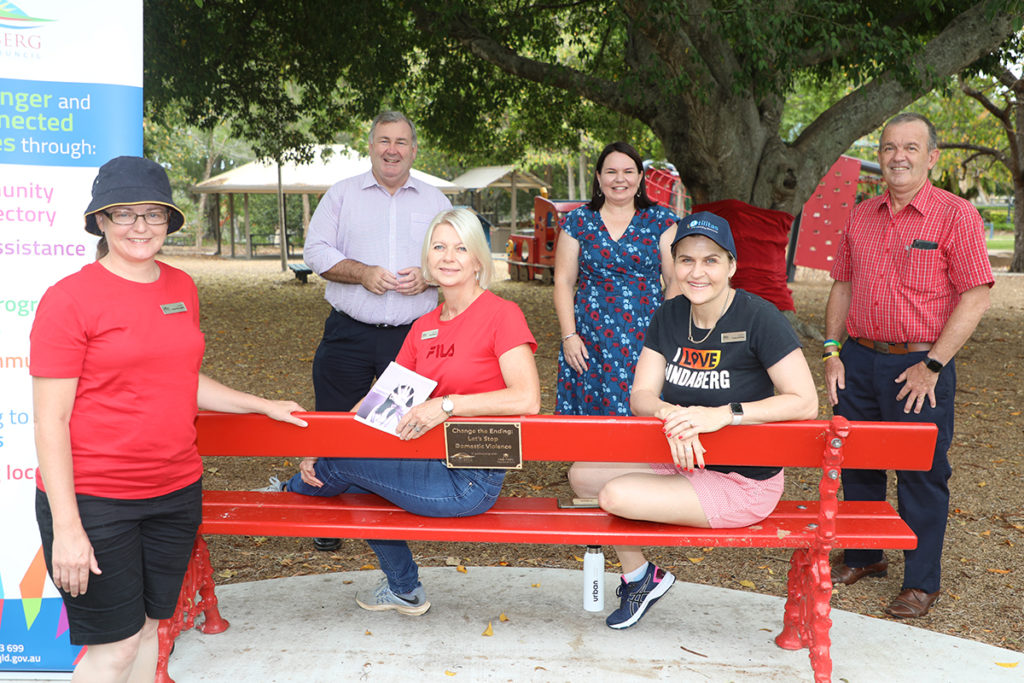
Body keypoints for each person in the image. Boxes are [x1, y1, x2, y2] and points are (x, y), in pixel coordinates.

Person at [30, 156, 307, 682]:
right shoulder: (68, 300)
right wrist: (67, 527)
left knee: (154, 630)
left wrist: (260, 404)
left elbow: (179, 376)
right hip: (95, 501)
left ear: (169, 222)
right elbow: (50, 420)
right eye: (125, 214)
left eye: (153, 214)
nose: (140, 227)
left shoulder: (181, 287)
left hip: (174, 492)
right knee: (114, 648)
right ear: (101, 222)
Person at [264, 208, 540, 615]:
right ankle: (404, 588)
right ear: (427, 257)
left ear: (478, 259)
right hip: (425, 460)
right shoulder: (424, 326)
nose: (448, 256)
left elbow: (527, 399)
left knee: (342, 467)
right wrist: (322, 442)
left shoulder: (501, 315)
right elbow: (382, 398)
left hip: (470, 477)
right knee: (352, 480)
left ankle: (287, 496)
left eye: (461, 248)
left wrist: (445, 406)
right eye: (439, 246)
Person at [569, 211, 817, 630]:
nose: (696, 272)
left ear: (732, 265)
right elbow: (641, 396)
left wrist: (722, 416)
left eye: (711, 260)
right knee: (584, 476)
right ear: (673, 264)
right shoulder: (669, 316)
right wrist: (674, 415)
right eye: (686, 260)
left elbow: (805, 402)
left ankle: (644, 577)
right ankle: (640, 577)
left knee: (613, 496)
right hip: (682, 457)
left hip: (741, 480)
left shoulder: (759, 318)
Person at [824, 112, 993, 619]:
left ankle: (921, 581)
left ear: (931, 156)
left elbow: (976, 296)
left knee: (922, 473)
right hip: (857, 359)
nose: (898, 156)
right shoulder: (861, 214)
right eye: (889, 147)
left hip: (921, 365)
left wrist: (934, 364)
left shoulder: (956, 215)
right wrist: (832, 352)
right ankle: (863, 556)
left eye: (911, 147)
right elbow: (843, 286)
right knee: (858, 465)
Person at [303, 110, 451, 551]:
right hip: (347, 334)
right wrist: (361, 272)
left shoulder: (435, 200)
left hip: (410, 339)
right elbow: (315, 251)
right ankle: (326, 521)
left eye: (401, 142)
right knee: (331, 423)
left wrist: (430, 275)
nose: (392, 149)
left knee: (396, 428)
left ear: (413, 149)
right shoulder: (342, 195)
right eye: (384, 140)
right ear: (370, 145)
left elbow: (459, 253)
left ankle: (390, 517)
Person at [554, 141, 679, 416]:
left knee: (645, 414)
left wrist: (666, 334)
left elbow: (674, 282)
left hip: (646, 335)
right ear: (598, 177)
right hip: (589, 338)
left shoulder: (661, 221)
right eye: (611, 172)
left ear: (640, 177)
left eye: (628, 171)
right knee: (592, 425)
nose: (619, 179)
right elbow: (563, 281)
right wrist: (569, 336)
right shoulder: (578, 221)